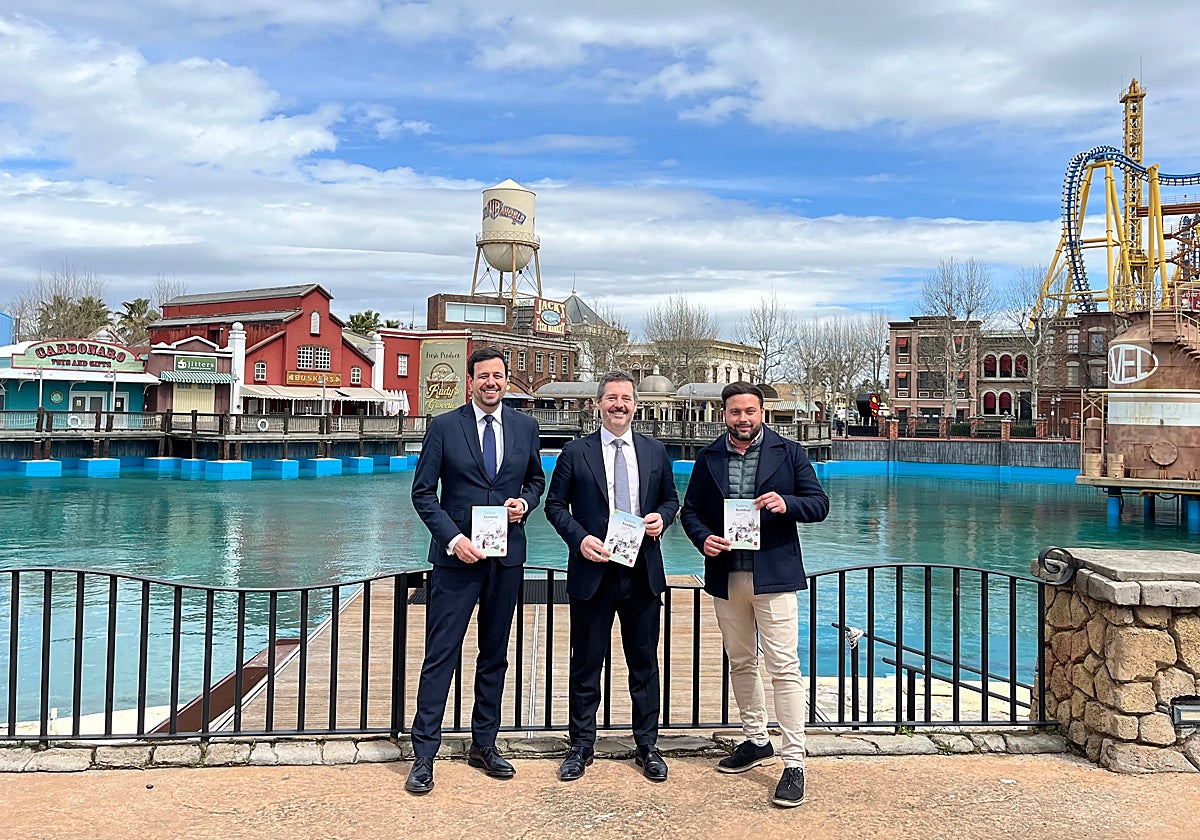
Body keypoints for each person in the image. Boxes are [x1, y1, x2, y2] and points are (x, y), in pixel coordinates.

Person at [681, 381, 829, 808]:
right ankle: (755, 738)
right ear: (723, 414)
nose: (742, 418)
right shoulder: (708, 456)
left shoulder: (791, 453)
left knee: (784, 666)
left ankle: (794, 761)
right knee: (741, 661)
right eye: (734, 412)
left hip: (775, 576)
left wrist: (786, 503)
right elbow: (691, 511)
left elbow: (819, 504)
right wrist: (703, 538)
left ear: (761, 412)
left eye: (750, 411)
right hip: (727, 574)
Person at [405, 347, 546, 795]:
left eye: (498, 376)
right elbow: (423, 493)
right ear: (470, 382)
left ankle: (484, 743)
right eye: (483, 376)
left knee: (495, 655)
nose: (491, 383)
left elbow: (536, 480)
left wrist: (524, 503)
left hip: (506, 558)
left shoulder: (526, 426)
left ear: (507, 381)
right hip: (456, 560)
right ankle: (424, 754)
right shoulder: (445, 427)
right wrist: (453, 539)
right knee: (441, 655)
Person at [544, 370, 680, 783]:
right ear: (598, 403)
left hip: (641, 573)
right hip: (593, 570)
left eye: (626, 398)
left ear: (635, 404)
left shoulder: (655, 451)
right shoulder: (574, 452)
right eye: (611, 398)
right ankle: (581, 745)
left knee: (644, 663)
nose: (619, 404)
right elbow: (554, 506)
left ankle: (647, 746)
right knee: (586, 663)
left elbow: (671, 500)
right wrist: (579, 540)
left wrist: (662, 518)